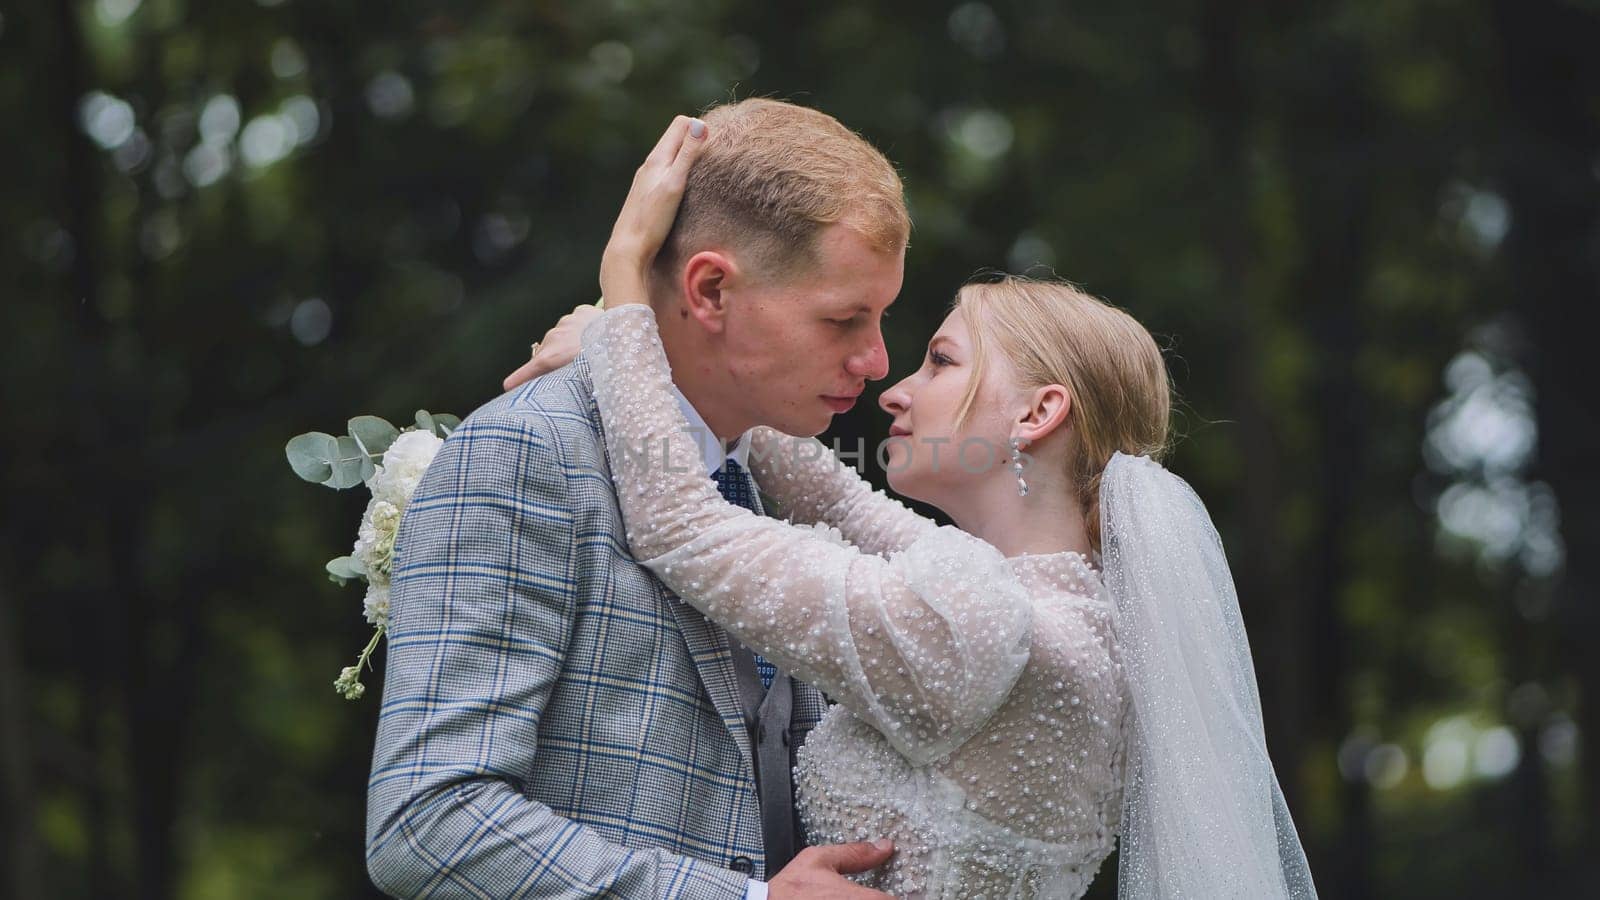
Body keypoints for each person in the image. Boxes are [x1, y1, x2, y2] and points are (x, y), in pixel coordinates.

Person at [513, 119, 1319, 898]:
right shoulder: (1070, 616)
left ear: (1038, 414)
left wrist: (626, 284)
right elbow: (841, 500)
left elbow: (681, 526)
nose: (892, 386)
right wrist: (658, 362)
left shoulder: (987, 628)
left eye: (941, 361)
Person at [366, 102, 911, 900]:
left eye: (883, 317)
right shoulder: (529, 454)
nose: (876, 360)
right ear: (712, 290)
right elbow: (427, 820)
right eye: (843, 319)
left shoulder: (772, 476)